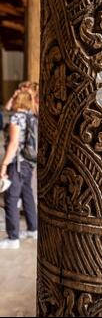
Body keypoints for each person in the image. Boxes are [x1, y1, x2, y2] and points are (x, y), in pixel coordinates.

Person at [0, 91, 37, 249]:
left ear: (18, 100)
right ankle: (32, 229)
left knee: (11, 199)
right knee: (27, 195)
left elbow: (13, 144)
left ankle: (13, 238)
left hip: (17, 164)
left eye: (14, 98)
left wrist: (3, 165)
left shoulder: (16, 118)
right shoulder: (32, 116)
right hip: (28, 163)